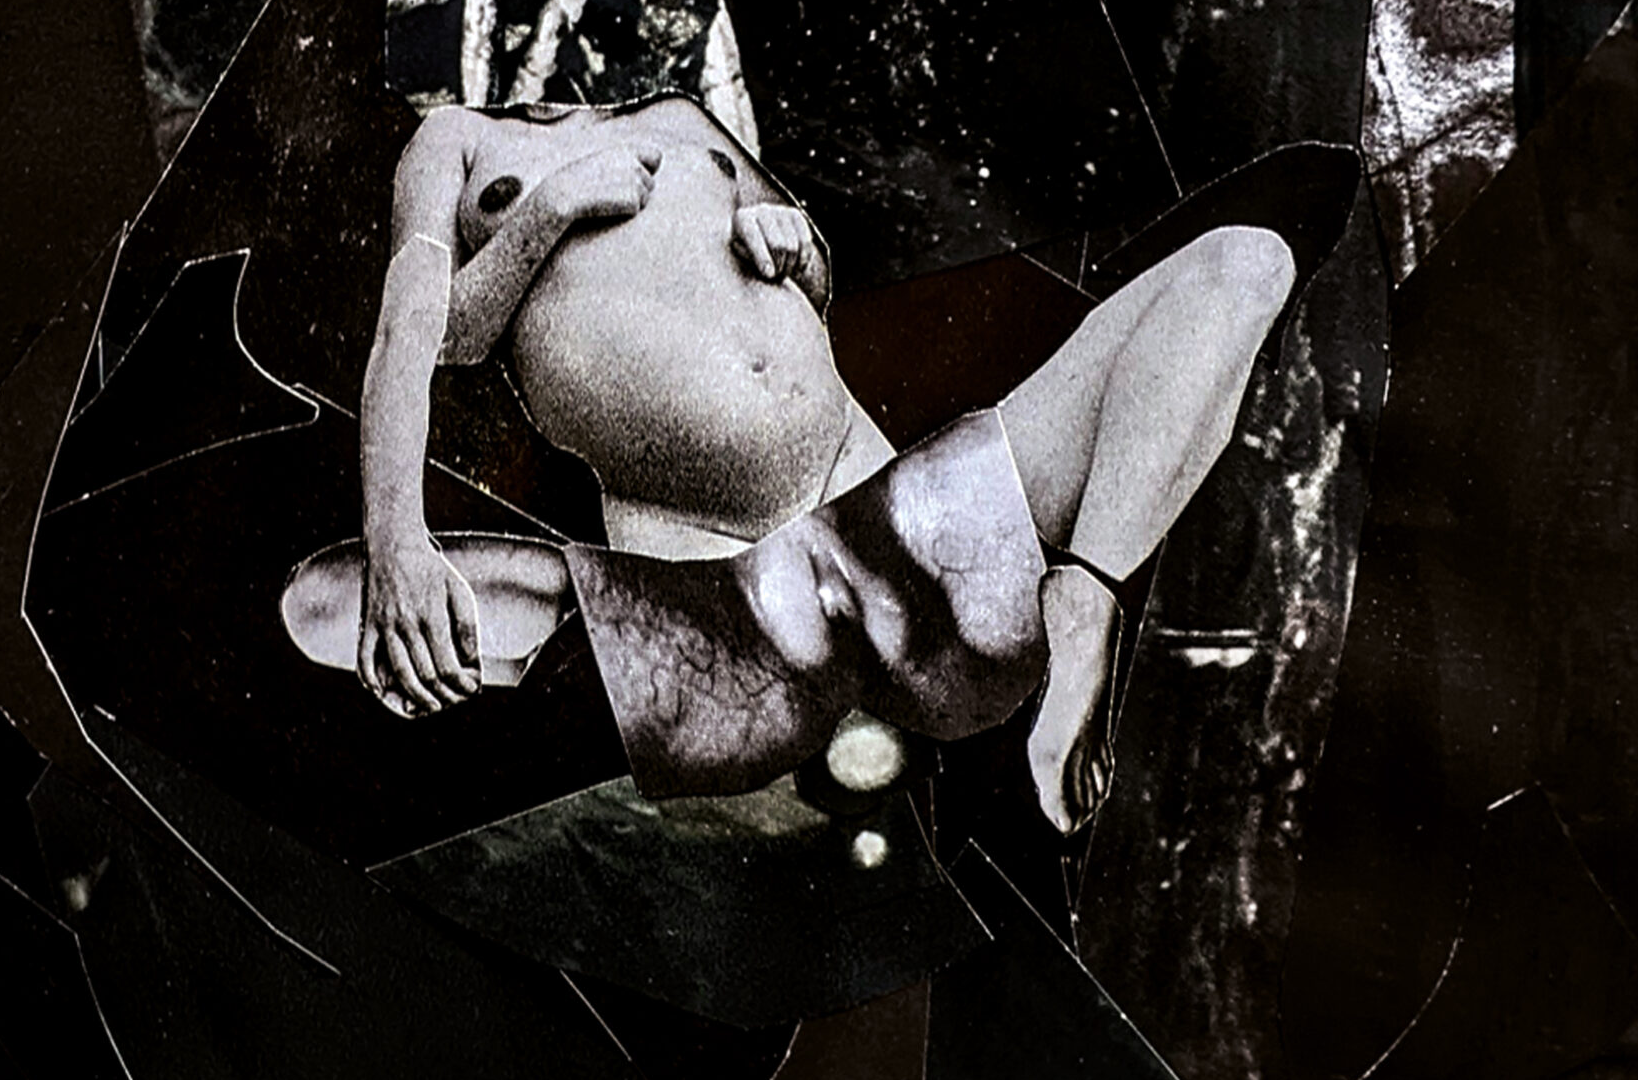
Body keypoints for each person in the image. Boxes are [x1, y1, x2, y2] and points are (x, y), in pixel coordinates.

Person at [295, 91, 1297, 833]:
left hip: (913, 525)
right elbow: (430, 333)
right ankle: (784, 743)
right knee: (324, 607)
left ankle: (1087, 588)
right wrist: (546, 214)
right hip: (718, 595)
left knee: (1246, 262)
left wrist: (794, 242)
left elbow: (812, 274)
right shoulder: (453, 138)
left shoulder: (679, 115)